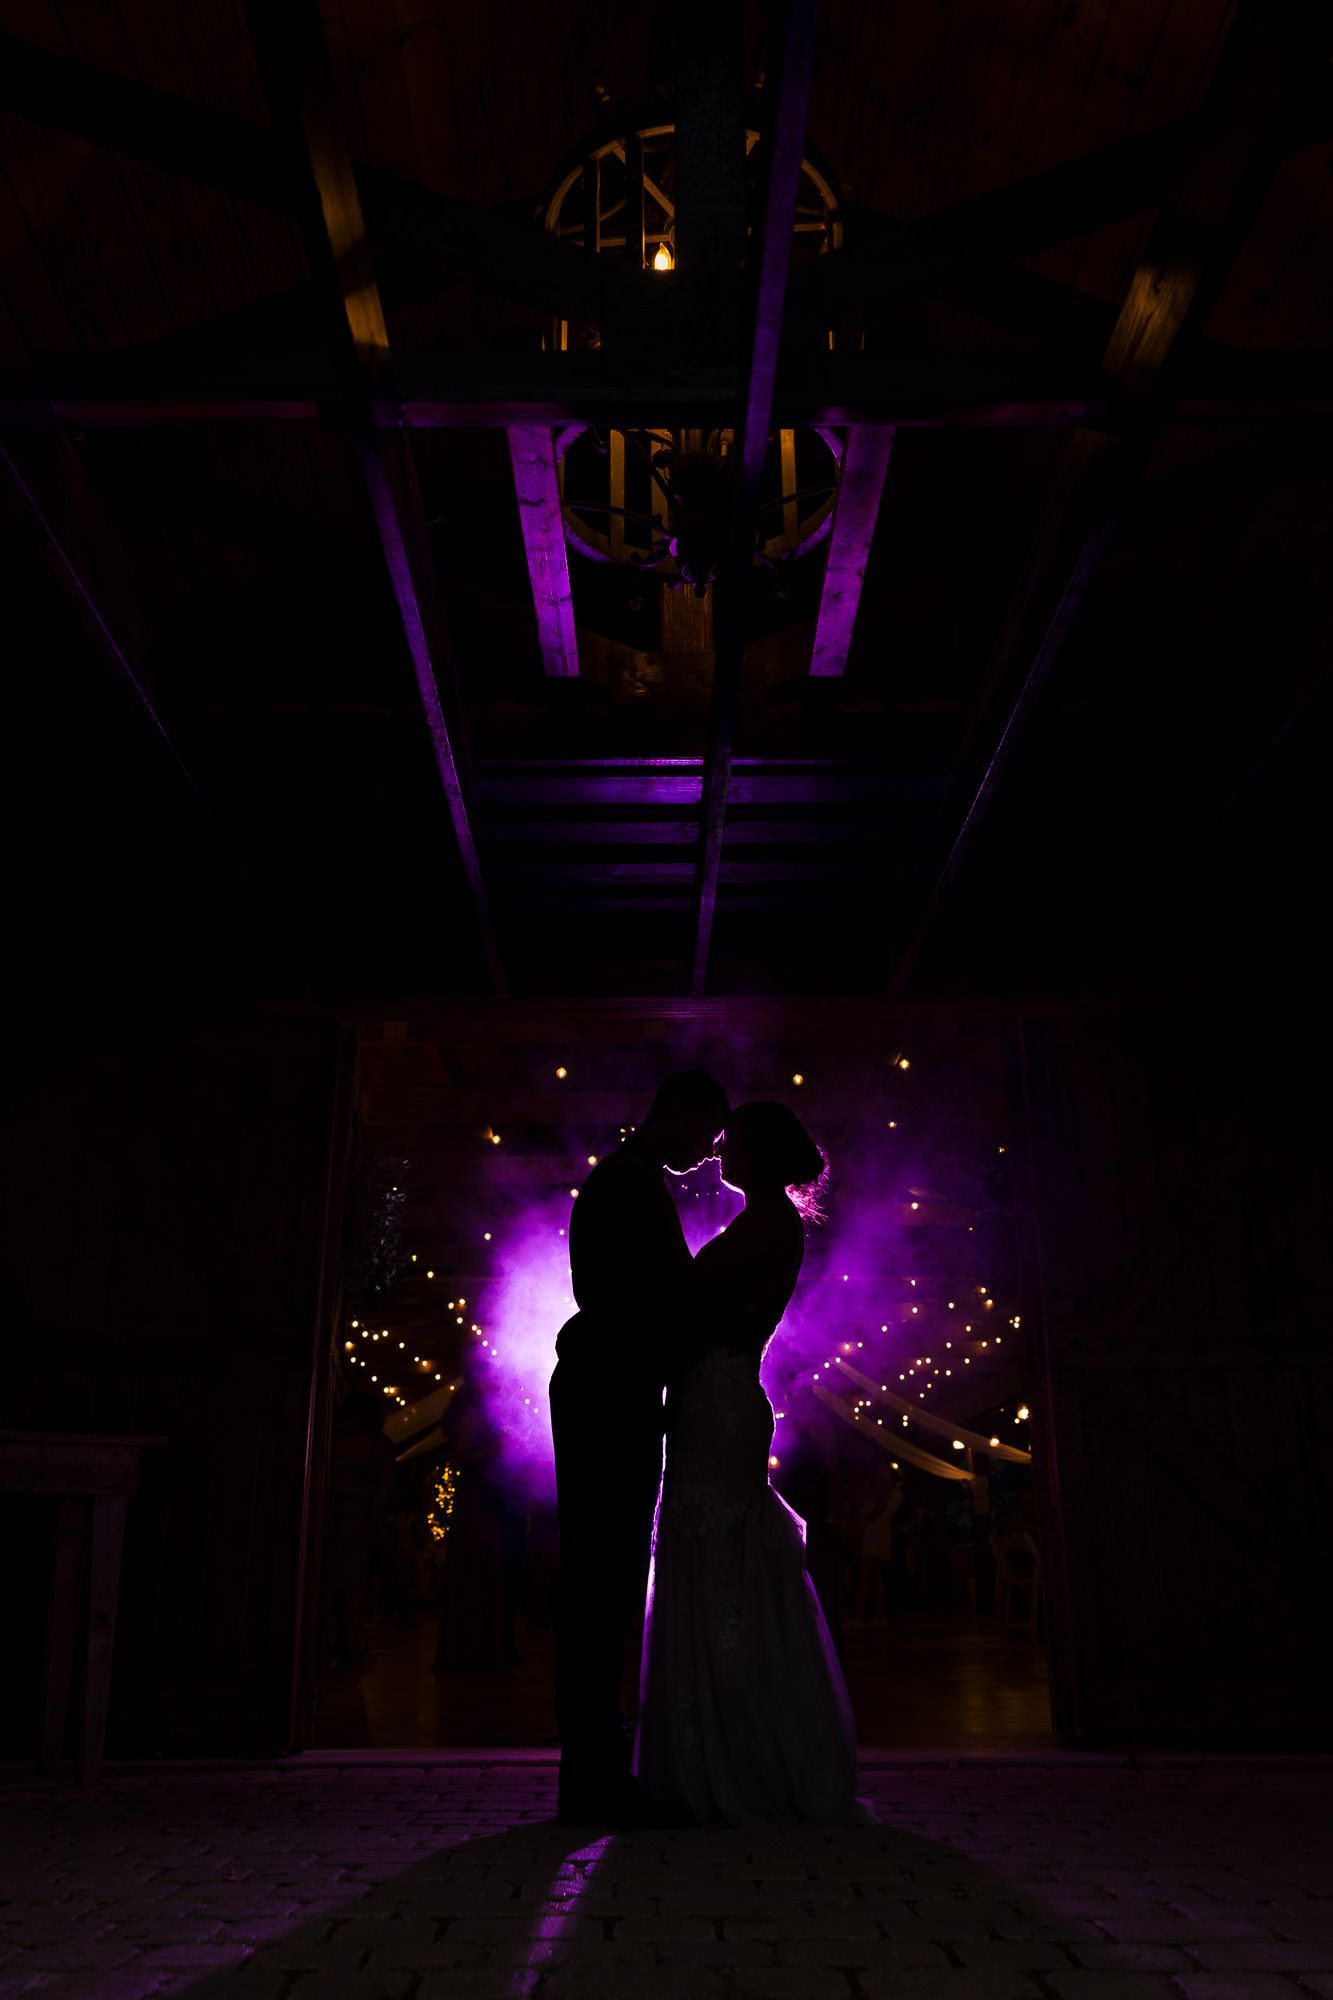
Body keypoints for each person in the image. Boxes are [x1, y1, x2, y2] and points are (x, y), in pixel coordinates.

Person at [634, 1101, 871, 1826]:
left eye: (729, 1142)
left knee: (716, 1552)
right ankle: (726, 1747)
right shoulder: (767, 1222)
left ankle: (729, 1755)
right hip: (719, 1392)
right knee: (713, 1548)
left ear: (759, 1154)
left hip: (719, 1391)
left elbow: (711, 1313)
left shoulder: (768, 1224)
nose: (716, 1151)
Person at [548, 1066, 729, 1824]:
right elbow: (667, 1294)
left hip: (604, 1382)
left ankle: (591, 1773)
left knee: (602, 1576)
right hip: (610, 1389)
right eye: (707, 1131)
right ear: (677, 1114)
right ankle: (593, 1781)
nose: (712, 1149)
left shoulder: (620, 1178)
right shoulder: (632, 1184)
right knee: (604, 1577)